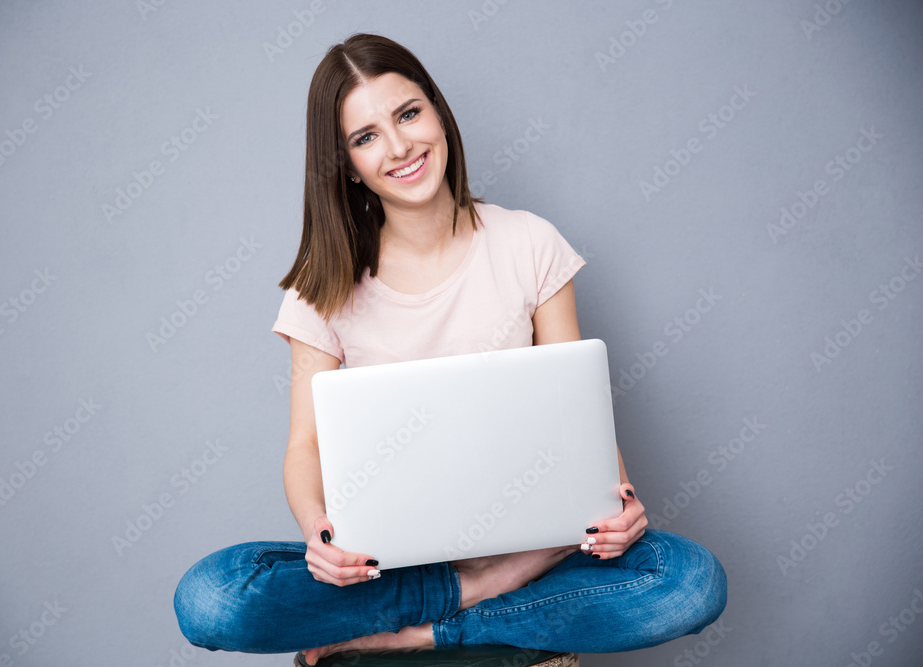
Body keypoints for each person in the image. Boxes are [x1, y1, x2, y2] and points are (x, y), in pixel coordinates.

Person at [173, 33, 727, 664]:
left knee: (689, 584)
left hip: (540, 550)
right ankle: (479, 594)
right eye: (367, 136)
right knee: (211, 598)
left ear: (438, 113)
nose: (401, 146)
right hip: (397, 568)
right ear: (346, 163)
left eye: (408, 114)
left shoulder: (529, 243)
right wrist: (318, 533)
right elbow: (305, 445)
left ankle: (428, 628)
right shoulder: (320, 287)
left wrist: (618, 502)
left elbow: (577, 409)